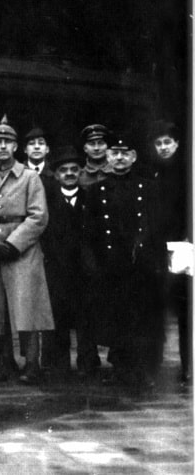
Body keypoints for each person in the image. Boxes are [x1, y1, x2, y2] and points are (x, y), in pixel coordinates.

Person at [0, 116, 53, 384]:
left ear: (16, 147)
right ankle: (4, 361)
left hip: (22, 251)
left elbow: (38, 217)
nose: (2, 146)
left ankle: (32, 364)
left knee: (27, 308)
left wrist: (14, 244)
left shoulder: (30, 178)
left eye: (7, 142)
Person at [83, 132, 165, 389]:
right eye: (114, 153)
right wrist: (94, 264)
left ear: (133, 157)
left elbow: (157, 227)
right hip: (111, 264)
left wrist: (156, 261)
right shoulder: (97, 191)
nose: (119, 158)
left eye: (124, 153)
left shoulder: (148, 187)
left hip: (140, 264)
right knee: (115, 315)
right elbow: (90, 231)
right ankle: (119, 368)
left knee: (141, 317)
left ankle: (142, 369)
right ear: (107, 156)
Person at [39, 146, 91, 378]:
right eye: (64, 170)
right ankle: (56, 364)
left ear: (80, 172)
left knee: (85, 319)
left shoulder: (91, 200)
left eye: (74, 169)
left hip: (84, 270)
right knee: (56, 317)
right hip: (55, 268)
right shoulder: (46, 203)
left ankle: (87, 363)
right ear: (56, 175)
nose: (69, 173)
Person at [149, 121, 190, 384]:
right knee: (155, 305)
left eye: (168, 142)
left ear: (176, 144)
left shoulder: (188, 171)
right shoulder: (152, 173)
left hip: (184, 246)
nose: (164, 147)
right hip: (157, 246)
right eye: (159, 143)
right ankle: (154, 361)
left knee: (185, 308)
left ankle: (188, 364)